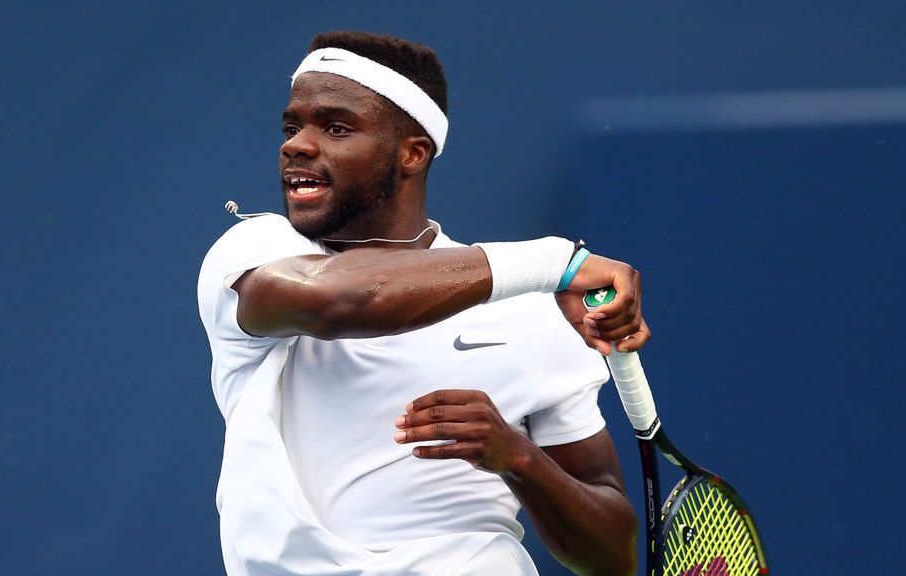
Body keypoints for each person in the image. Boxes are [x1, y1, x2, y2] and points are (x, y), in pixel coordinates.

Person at [197, 31, 651, 576]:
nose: (296, 144)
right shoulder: (255, 254)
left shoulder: (531, 311)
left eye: (335, 127)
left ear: (412, 153)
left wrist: (518, 458)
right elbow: (339, 299)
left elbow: (614, 557)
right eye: (293, 127)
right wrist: (558, 263)